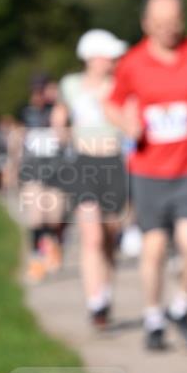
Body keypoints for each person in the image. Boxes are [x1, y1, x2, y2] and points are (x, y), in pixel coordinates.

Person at [104, 0, 187, 350]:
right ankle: (154, 317)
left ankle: (182, 307)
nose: (169, 29)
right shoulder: (132, 63)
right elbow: (112, 104)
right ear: (146, 24)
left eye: (174, 22)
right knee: (153, 248)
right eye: (160, 24)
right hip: (149, 169)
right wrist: (127, 125)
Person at [53, 29, 128, 327]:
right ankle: (94, 302)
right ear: (93, 57)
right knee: (91, 236)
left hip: (113, 161)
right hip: (83, 163)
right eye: (108, 55)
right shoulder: (70, 85)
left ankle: (105, 292)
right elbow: (61, 116)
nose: (113, 60)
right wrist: (61, 131)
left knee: (109, 236)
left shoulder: (120, 85)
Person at [15, 75, 65, 283]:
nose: (39, 95)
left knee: (54, 217)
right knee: (36, 217)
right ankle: (36, 261)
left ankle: (54, 246)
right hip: (33, 171)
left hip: (55, 172)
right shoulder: (25, 113)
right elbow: (18, 139)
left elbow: (64, 137)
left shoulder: (58, 111)